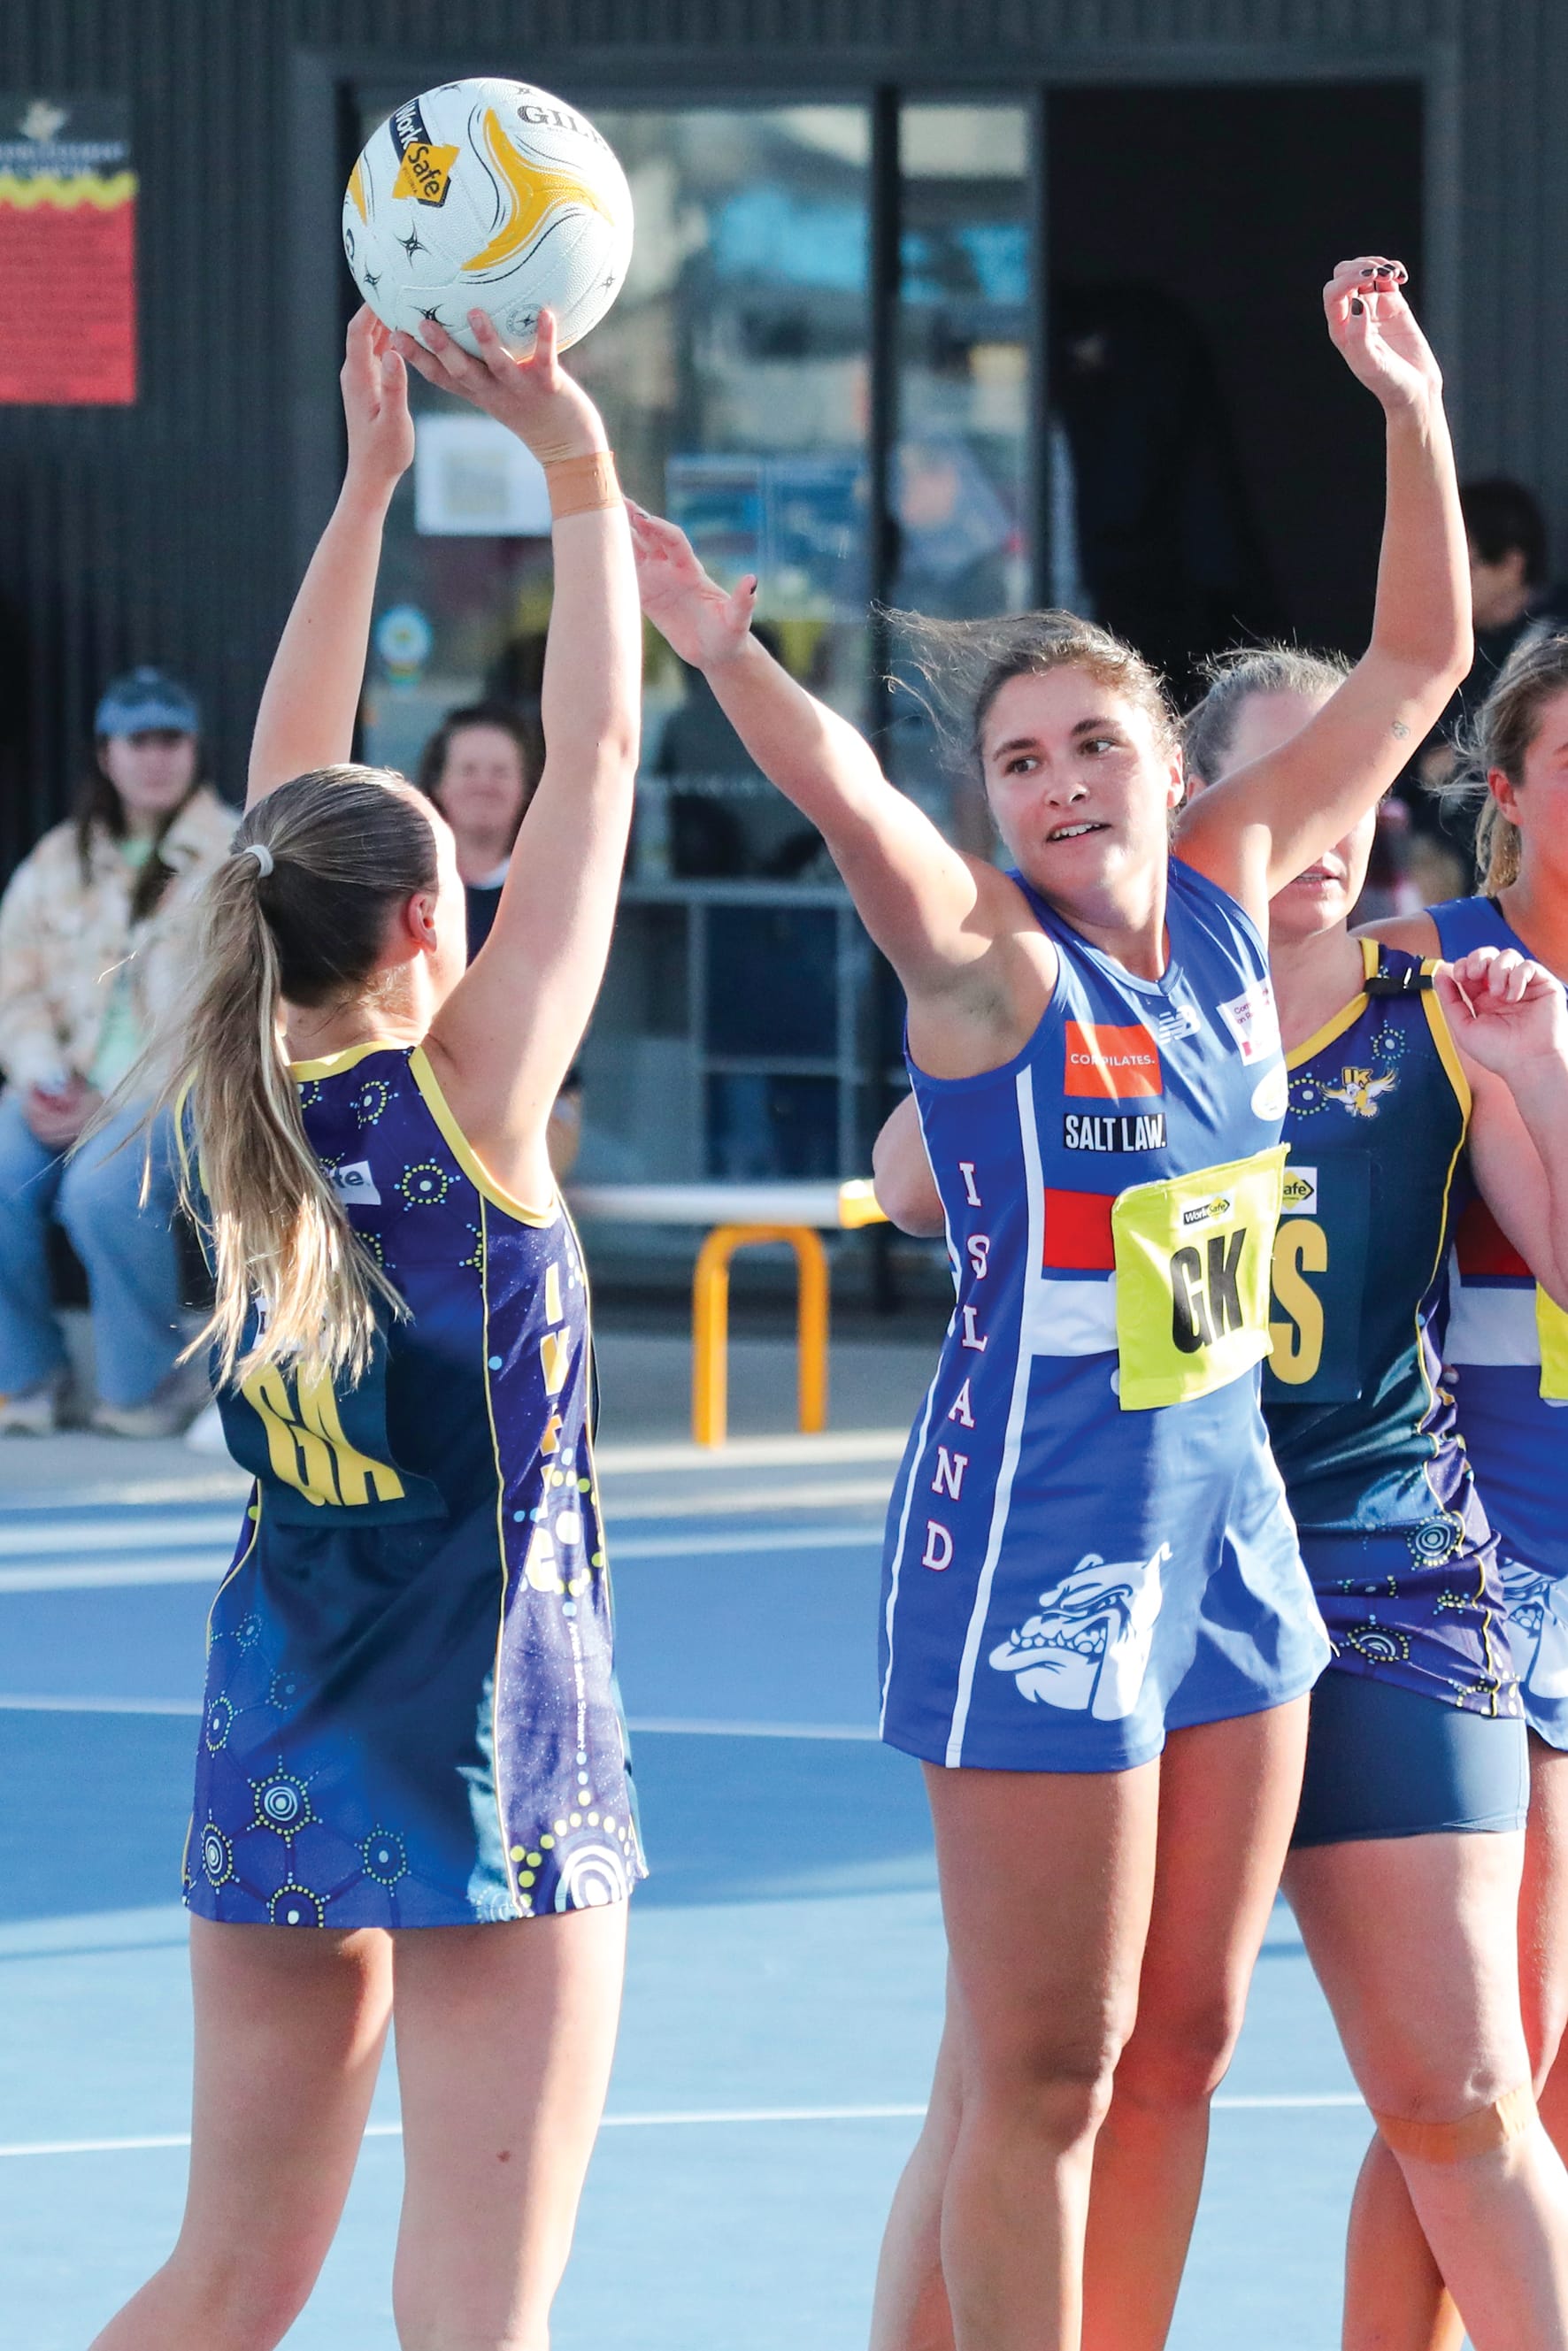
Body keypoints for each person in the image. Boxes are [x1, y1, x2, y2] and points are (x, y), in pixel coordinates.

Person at [630, 257, 1469, 2351]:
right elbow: (846, 798)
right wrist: (731, 654)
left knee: (1182, 2045)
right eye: (1020, 762)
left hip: (1236, 1550)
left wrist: (1409, 412)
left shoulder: (1223, 897)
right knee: (1044, 2072)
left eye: (1096, 739)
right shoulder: (997, 973)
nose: (1060, 779)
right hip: (1042, 1548)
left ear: (1168, 763)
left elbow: (1421, 656)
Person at [90, 304, 642, 2351]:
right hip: (493, 1723)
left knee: (226, 2271)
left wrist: (373, 483)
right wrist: (570, 457)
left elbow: (283, 799)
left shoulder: (237, 1100)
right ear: (431, 925)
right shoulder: (475, 1100)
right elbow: (592, 756)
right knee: (475, 2309)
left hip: (282, 1712)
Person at [1359, 628, 1568, 2348]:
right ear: (1507, 792)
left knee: (1539, 2077)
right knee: (1483, 2048)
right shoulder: (1426, 967)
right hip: (1495, 1550)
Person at [0, 667, 232, 1434]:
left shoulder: (235, 853)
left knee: (100, 1190)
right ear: (107, 753)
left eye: (171, 739)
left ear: (195, 749)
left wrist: (116, 1103)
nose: (155, 757)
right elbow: (15, 986)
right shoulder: (59, 860)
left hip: (179, 1095)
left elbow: (234, 1014)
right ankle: (27, 1376)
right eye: (138, 740)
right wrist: (42, 1074)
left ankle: (145, 1388)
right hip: (73, 1086)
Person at [417, 700, 581, 1173]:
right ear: (439, 785)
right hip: (420, 1095)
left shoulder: (554, 890)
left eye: (500, 771)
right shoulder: (400, 890)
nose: (484, 783)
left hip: (536, 1103)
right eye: (468, 769)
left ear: (525, 788)